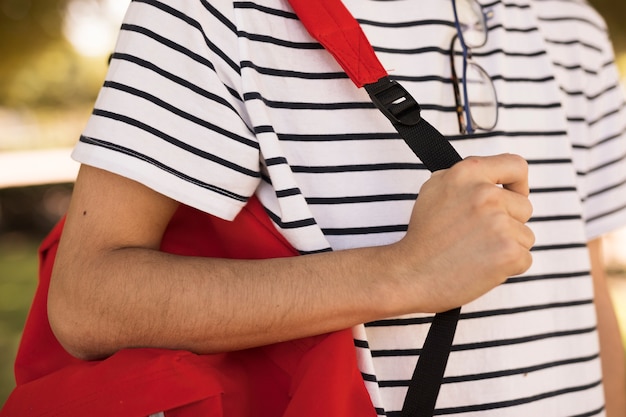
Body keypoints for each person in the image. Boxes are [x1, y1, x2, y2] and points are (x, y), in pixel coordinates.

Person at [39, 0, 626, 415]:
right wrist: (403, 272)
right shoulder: (212, 11)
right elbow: (87, 301)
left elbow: (587, 295)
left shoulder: (573, 28)